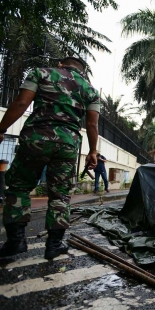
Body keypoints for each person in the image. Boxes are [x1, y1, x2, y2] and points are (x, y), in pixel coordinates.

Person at [0, 56, 100, 259]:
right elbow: (92, 125)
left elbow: (21, 103)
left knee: (19, 187)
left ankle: (16, 241)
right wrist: (92, 151)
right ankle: (54, 245)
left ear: (61, 64)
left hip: (36, 139)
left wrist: (1, 128)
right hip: (67, 145)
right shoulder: (90, 90)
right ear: (82, 71)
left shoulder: (41, 73)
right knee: (61, 194)